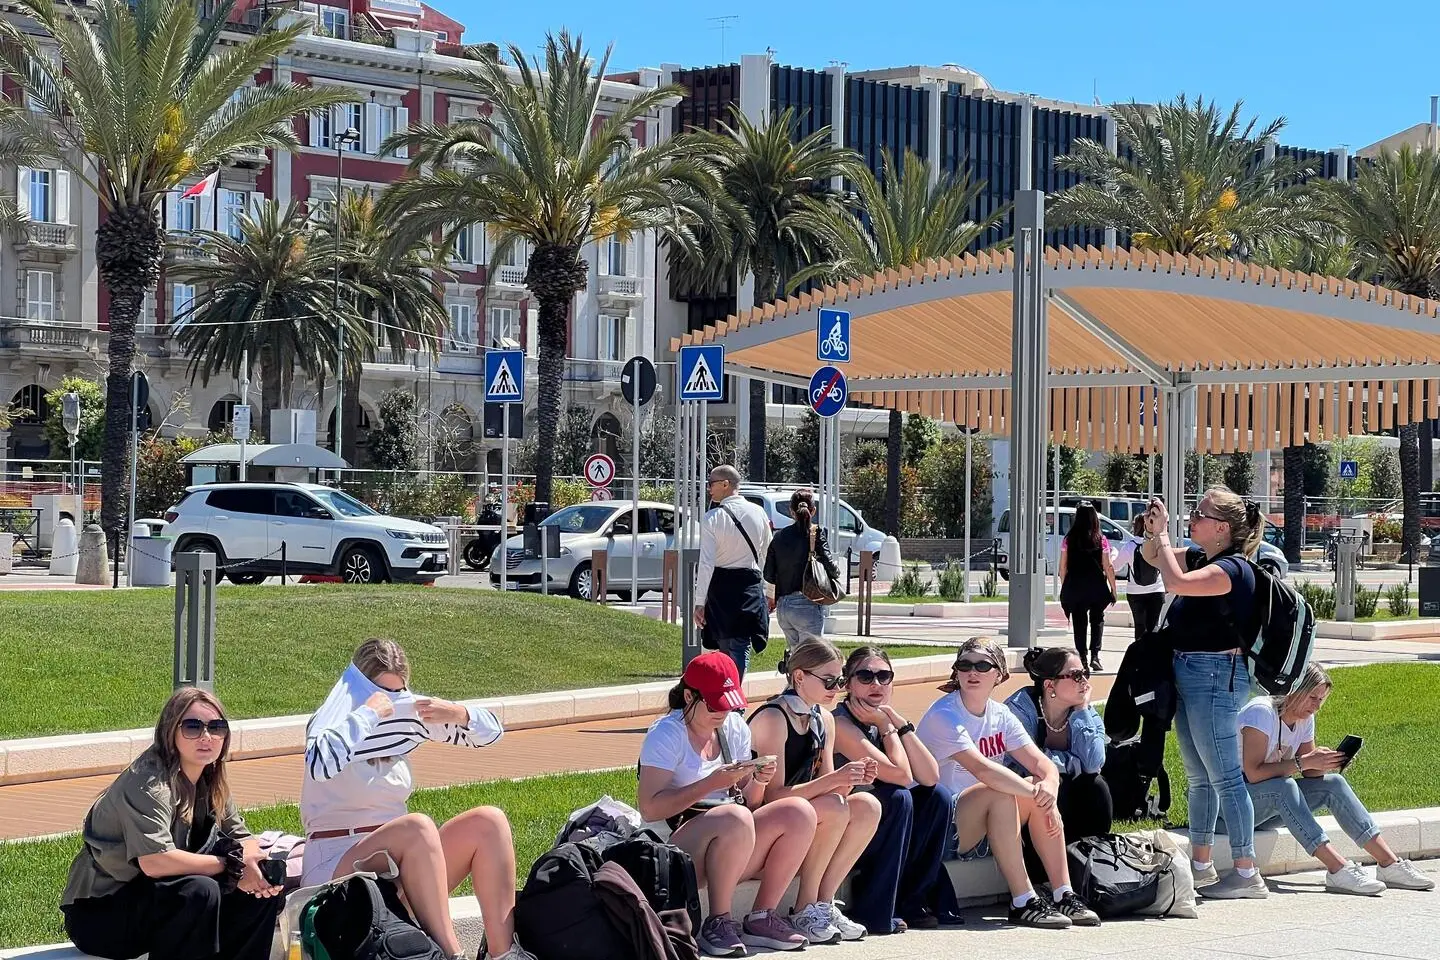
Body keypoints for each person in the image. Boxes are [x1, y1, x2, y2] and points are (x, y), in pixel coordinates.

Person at [301, 638, 533, 960]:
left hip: (401, 869)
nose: (392, 701)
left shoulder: (403, 723)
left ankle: (503, 954)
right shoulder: (334, 724)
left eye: (398, 692)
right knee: (418, 828)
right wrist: (369, 714)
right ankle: (452, 955)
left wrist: (459, 713)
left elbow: (491, 733)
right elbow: (320, 763)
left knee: (488, 822)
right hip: (337, 865)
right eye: (383, 692)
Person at [61, 688, 284, 960]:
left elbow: (242, 836)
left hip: (157, 899)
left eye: (216, 727)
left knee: (260, 892)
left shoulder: (210, 778)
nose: (206, 737)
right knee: (199, 890)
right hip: (101, 913)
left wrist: (252, 865)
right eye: (193, 727)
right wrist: (231, 867)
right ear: (170, 731)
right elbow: (155, 862)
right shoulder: (148, 783)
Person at [637, 652, 815, 956]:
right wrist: (710, 783)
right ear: (689, 696)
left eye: (728, 703)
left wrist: (758, 780)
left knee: (799, 812)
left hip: (729, 844)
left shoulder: (734, 727)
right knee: (734, 817)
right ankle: (718, 921)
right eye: (714, 704)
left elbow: (749, 803)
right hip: (673, 852)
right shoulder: (666, 733)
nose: (722, 712)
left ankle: (762, 916)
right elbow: (649, 809)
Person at [917, 638, 1100, 930]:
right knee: (1001, 791)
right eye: (964, 665)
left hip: (983, 820)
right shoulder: (945, 715)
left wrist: (1049, 791)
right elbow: (984, 770)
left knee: (1034, 785)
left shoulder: (1000, 714)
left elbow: (1042, 764)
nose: (972, 672)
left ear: (999, 674)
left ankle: (1063, 893)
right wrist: (1037, 792)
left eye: (982, 665)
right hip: (940, 829)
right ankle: (1023, 901)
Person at [1141, 486, 1265, 899]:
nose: (1192, 519)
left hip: (1215, 677)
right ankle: (1201, 865)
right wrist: (1154, 532)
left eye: (1199, 514)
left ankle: (1246, 872)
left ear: (1222, 528)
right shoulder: (1202, 557)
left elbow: (1174, 581)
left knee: (1226, 777)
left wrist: (1163, 535)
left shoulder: (1232, 570)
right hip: (1190, 673)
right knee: (1199, 777)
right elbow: (1153, 559)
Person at [1238, 663, 1433, 895]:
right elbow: (1253, 773)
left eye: (1321, 700)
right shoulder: (1261, 712)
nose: (1317, 706)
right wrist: (1303, 762)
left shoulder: (1304, 719)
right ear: (1294, 689)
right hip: (1232, 809)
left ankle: (1389, 864)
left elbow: (1311, 774)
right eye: (1312, 697)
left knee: (1334, 783)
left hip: (1265, 808)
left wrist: (1327, 762)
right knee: (1285, 786)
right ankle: (1338, 869)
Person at [748, 638, 882, 944]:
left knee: (867, 806)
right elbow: (772, 796)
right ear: (799, 676)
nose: (836, 688)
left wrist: (850, 778)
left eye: (840, 681)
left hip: (800, 819)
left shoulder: (824, 719)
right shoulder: (774, 717)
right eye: (829, 681)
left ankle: (823, 903)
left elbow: (829, 789)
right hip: (761, 829)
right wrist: (835, 781)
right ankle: (805, 908)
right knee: (833, 805)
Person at [832, 646, 963, 935]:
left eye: (884, 676)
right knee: (898, 797)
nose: (876, 684)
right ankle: (874, 912)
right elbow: (901, 776)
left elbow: (929, 776)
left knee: (938, 798)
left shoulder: (884, 719)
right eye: (865, 676)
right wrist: (886, 726)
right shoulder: (841, 723)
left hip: (881, 830)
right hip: (846, 830)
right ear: (848, 683)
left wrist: (900, 725)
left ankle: (912, 900)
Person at [1003, 648, 1111, 877]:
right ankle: (1040, 876)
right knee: (1047, 784)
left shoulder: (1086, 711)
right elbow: (1022, 765)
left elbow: (1093, 764)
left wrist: (1081, 710)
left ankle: (1094, 864)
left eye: (1085, 673)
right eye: (1076, 675)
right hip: (1021, 798)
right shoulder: (1019, 709)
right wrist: (1071, 763)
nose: (1085, 682)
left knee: (1096, 786)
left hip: (1066, 795)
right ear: (1050, 685)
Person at [694, 464, 772, 677]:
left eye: (711, 483)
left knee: (725, 645)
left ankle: (731, 690)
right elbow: (768, 555)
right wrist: (770, 591)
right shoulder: (759, 513)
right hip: (749, 585)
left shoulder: (712, 518)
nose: (709, 489)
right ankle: (733, 690)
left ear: (725, 484)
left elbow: (706, 563)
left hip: (720, 587)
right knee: (740, 644)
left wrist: (700, 602)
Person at [763, 488, 843, 648]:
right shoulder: (816, 533)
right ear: (813, 511)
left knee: (796, 655)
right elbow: (830, 565)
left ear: (791, 511)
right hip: (807, 603)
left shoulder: (779, 536)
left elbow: (768, 574)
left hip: (784, 606)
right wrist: (836, 572)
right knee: (812, 655)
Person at [1058, 502, 1117, 672]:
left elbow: (1063, 567)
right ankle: (1095, 656)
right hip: (1096, 586)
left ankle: (1082, 657)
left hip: (1075, 587)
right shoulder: (1101, 539)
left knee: (1079, 622)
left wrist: (1065, 586)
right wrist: (1113, 589)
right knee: (1097, 620)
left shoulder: (1069, 539)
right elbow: (1108, 566)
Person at [1115, 513, 1167, 643]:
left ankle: (1139, 653)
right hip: (1157, 589)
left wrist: (1113, 555)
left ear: (1136, 526)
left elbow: (1116, 567)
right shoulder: (1157, 544)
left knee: (1139, 626)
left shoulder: (1129, 546)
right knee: (1153, 627)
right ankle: (1153, 653)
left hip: (1135, 592)